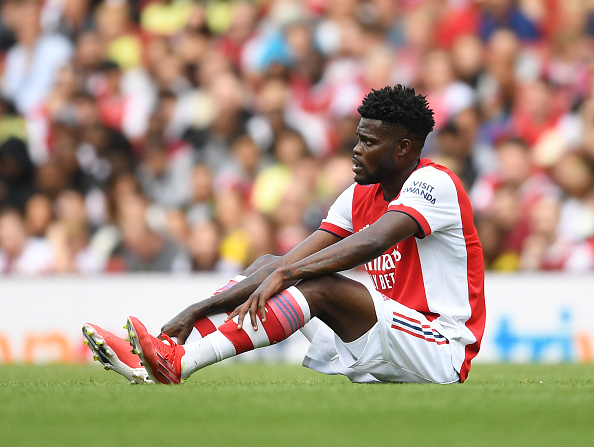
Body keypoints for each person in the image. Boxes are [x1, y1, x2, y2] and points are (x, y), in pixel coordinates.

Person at [83, 85, 486, 385]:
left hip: (439, 349)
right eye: (357, 139)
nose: (356, 150)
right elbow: (287, 262)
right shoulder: (358, 195)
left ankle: (179, 365)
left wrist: (288, 274)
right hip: (387, 340)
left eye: (368, 142)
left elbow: (373, 241)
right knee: (268, 263)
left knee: (316, 282)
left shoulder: (435, 183)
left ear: (403, 148)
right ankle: (160, 353)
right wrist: (196, 309)